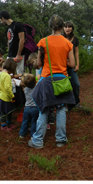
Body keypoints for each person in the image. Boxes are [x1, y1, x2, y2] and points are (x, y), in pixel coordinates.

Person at [28, 15, 76, 149]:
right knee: (61, 110)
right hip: (61, 80)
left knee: (44, 110)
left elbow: (38, 64)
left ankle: (38, 141)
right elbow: (72, 64)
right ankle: (60, 139)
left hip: (47, 80)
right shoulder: (68, 43)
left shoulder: (43, 42)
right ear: (62, 26)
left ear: (50, 26)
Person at [0, 11, 25, 76]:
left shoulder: (18, 25)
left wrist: (19, 54)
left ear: (3, 18)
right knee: (7, 71)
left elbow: (22, 39)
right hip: (10, 54)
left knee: (19, 71)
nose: (1, 22)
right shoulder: (8, 28)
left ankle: (20, 85)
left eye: (0, 20)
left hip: (18, 54)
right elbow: (9, 40)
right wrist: (9, 50)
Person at [62, 21, 81, 111]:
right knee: (64, 86)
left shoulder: (75, 39)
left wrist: (77, 64)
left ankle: (76, 102)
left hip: (72, 66)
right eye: (65, 27)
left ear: (72, 28)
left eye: (69, 27)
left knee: (76, 84)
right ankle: (65, 104)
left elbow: (76, 52)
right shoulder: (61, 38)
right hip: (62, 66)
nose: (67, 28)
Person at [0, 59, 17, 130]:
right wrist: (12, 96)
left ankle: (8, 123)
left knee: (4, 112)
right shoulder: (7, 76)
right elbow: (7, 88)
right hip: (6, 98)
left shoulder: (1, 73)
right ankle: (4, 126)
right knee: (6, 112)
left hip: (1, 96)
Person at [19, 73, 38, 138]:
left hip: (27, 108)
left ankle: (22, 134)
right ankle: (32, 135)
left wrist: (22, 85)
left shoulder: (26, 90)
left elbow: (23, 88)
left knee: (25, 121)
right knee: (34, 122)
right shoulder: (36, 88)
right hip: (35, 108)